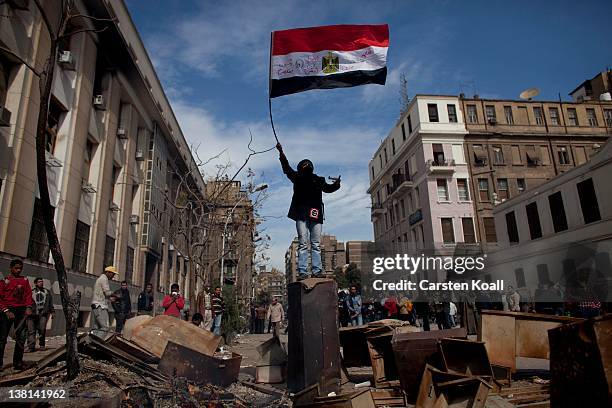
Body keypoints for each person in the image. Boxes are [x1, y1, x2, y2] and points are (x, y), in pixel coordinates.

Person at [276, 143, 341, 279]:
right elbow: (287, 169)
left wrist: (336, 185)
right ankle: (304, 272)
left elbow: (328, 188)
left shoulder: (317, 179)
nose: (306, 166)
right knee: (305, 243)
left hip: (313, 215)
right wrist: (281, 154)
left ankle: (316, 271)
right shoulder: (298, 177)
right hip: (303, 214)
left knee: (312, 244)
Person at [0, 259, 33, 370]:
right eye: (16, 268)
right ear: (11, 268)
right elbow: (1, 298)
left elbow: (28, 294)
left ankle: (18, 363)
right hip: (7, 311)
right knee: (2, 337)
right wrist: (6, 311)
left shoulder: (24, 280)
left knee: (21, 337)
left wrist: (28, 307)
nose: (18, 270)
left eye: (20, 268)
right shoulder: (5, 281)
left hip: (21, 311)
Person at [27, 277, 54, 352]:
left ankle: (42, 345)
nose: (41, 283)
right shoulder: (31, 292)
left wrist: (52, 311)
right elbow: (27, 302)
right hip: (32, 314)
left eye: (42, 282)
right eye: (39, 282)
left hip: (42, 314)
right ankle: (31, 347)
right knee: (31, 331)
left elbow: (50, 302)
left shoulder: (47, 292)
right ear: (35, 283)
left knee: (42, 330)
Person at [91, 266, 119, 339]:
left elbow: (103, 294)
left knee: (96, 327)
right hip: (100, 306)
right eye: (113, 274)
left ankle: (91, 341)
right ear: (108, 272)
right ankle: (97, 343)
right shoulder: (104, 279)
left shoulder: (101, 279)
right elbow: (107, 292)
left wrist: (110, 299)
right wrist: (116, 295)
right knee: (105, 327)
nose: (113, 276)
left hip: (97, 305)